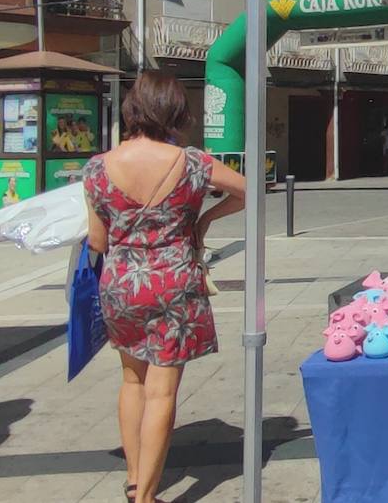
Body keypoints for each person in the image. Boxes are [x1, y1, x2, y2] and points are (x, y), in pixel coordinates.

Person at [82, 71, 247, 503]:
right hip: (174, 284)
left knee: (131, 381)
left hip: (120, 284)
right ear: (175, 110)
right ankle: (146, 498)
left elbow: (97, 242)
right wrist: (205, 219)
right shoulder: (193, 162)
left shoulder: (98, 167)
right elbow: (250, 191)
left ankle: (136, 479)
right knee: (162, 391)